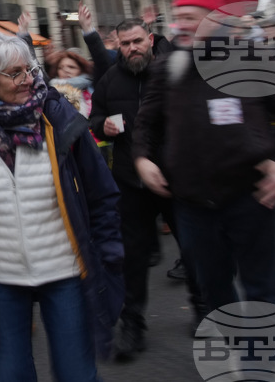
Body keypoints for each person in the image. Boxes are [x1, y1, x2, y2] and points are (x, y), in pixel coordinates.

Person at [0, 33, 124, 380]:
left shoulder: (60, 121)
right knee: (12, 373)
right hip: (0, 277)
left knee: (76, 372)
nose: (28, 79)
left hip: (65, 270)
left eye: (29, 69)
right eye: (14, 73)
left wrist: (109, 252)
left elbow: (102, 195)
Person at [132, 0, 275, 318]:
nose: (180, 24)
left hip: (251, 198)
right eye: (179, 16)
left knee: (261, 289)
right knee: (212, 287)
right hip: (192, 204)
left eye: (190, 17)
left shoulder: (253, 58)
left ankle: (258, 363)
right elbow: (146, 123)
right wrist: (143, 158)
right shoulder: (168, 67)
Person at [88, 18, 201, 359]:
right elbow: (94, 119)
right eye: (125, 44)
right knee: (132, 259)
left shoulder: (173, 71)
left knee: (194, 249)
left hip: (176, 179)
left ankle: (206, 309)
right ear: (117, 45)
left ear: (150, 39)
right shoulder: (109, 79)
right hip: (131, 182)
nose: (132, 48)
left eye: (137, 41)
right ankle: (132, 325)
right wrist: (103, 127)